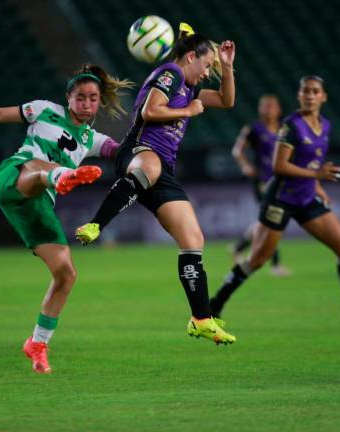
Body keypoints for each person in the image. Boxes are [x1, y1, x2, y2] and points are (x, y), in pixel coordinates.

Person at [0, 64, 133, 373]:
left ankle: (37, 344)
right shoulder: (44, 110)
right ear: (68, 98)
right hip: (15, 176)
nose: (87, 103)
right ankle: (64, 176)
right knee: (39, 165)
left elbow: (122, 152)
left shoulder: (92, 139)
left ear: (99, 101)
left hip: (37, 205)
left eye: (93, 98)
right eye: (81, 97)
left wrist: (151, 145)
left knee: (66, 273)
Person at [75, 24, 237, 344]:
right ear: (191, 56)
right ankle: (95, 225)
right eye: (206, 66)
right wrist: (189, 109)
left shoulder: (188, 86)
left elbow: (226, 100)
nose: (207, 73)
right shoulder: (171, 74)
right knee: (150, 165)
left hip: (164, 170)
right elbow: (150, 111)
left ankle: (201, 319)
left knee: (193, 239)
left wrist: (228, 68)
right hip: (137, 152)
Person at [209, 76, 340, 326]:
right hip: (281, 198)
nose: (310, 95)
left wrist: (317, 185)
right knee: (257, 260)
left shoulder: (326, 126)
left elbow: (313, 161)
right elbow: (279, 167)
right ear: (299, 96)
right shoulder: (291, 126)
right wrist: (317, 176)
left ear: (323, 97)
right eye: (305, 91)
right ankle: (214, 305)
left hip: (307, 197)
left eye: (315, 91)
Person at [231, 94, 291, 277]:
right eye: (264, 106)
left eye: (271, 106)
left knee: (266, 221)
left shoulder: (284, 130)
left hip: (280, 180)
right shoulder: (253, 129)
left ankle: (239, 247)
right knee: (273, 218)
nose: (268, 110)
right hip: (263, 181)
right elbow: (237, 150)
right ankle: (275, 265)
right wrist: (245, 166)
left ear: (278, 109)